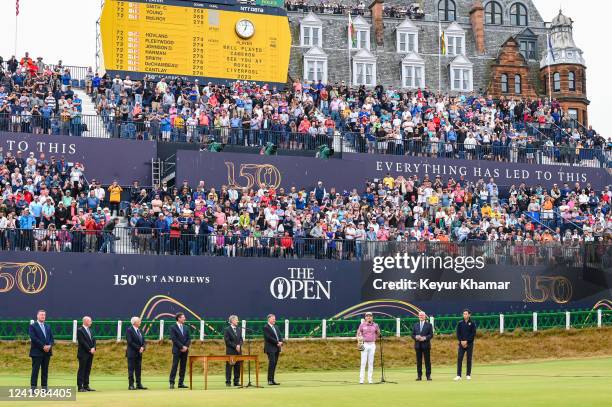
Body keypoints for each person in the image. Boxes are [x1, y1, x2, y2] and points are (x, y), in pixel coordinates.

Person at [29, 310, 54, 390]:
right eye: (41, 315)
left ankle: (44, 388)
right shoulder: (33, 326)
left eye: (44, 315)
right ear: (37, 316)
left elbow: (51, 338)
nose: (43, 316)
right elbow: (34, 338)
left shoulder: (48, 326)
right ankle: (33, 388)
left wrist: (49, 345)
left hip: (47, 353)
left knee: (45, 371)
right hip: (37, 352)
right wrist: (43, 346)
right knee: (35, 371)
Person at [356, 312, 379, 384]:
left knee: (371, 362)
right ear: (365, 317)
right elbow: (358, 333)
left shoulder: (375, 325)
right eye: (367, 316)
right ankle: (361, 379)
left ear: (372, 317)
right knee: (363, 362)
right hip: (364, 344)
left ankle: (370, 379)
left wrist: (375, 337)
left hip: (372, 344)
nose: (369, 317)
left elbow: (378, 333)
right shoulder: (362, 325)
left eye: (370, 316)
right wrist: (359, 342)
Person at [169, 312, 191, 389]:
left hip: (185, 350)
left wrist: (186, 347)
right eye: (183, 317)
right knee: (174, 366)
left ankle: (181, 383)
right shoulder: (173, 327)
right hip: (177, 350)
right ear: (178, 318)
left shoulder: (186, 327)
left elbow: (189, 338)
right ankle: (172, 382)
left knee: (183, 367)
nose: (184, 318)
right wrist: (182, 346)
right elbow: (174, 339)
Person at [455, 309, 477, 381]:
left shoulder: (472, 323)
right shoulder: (460, 323)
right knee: (459, 358)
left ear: (469, 315)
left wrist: (467, 341)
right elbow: (458, 333)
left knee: (469, 359)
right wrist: (461, 341)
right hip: (461, 344)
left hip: (469, 344)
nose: (465, 315)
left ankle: (468, 374)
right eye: (464, 314)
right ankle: (458, 375)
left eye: (466, 314)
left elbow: (473, 334)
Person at [126, 316, 147, 390]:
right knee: (131, 369)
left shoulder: (140, 330)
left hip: (139, 353)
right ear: (134, 322)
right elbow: (130, 342)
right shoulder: (129, 330)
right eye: (139, 321)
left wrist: (143, 347)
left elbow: (144, 341)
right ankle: (131, 385)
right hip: (132, 353)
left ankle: (139, 384)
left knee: (138, 369)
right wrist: (139, 348)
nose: (140, 322)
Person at [76, 316, 96, 392]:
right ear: (85, 321)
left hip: (90, 353)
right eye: (90, 321)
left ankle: (86, 385)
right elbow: (82, 342)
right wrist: (89, 349)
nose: (91, 322)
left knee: (88, 369)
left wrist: (94, 348)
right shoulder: (80, 330)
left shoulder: (90, 330)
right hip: (83, 353)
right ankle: (80, 387)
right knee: (82, 369)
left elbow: (94, 339)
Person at [411, 311, 433, 381]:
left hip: (426, 345)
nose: (421, 316)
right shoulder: (415, 325)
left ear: (424, 316)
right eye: (420, 315)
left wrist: (425, 338)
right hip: (418, 345)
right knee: (419, 361)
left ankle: (428, 375)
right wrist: (416, 337)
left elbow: (431, 335)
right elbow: (412, 335)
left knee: (427, 361)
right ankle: (419, 376)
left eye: (422, 315)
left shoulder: (429, 325)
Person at [263, 314, 283, 385]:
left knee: (274, 363)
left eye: (275, 318)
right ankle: (269, 380)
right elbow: (268, 338)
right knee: (272, 363)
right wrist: (277, 342)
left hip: (277, 348)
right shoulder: (266, 327)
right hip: (270, 348)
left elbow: (280, 335)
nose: (274, 320)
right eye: (273, 319)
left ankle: (272, 379)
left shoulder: (276, 327)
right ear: (269, 319)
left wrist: (280, 342)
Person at [223, 315, 243, 387]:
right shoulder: (227, 329)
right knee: (229, 366)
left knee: (237, 367)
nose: (238, 321)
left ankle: (236, 381)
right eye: (236, 320)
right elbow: (227, 341)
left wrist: (239, 345)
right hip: (231, 351)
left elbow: (241, 339)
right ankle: (228, 381)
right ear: (232, 321)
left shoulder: (239, 329)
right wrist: (235, 346)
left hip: (238, 351)